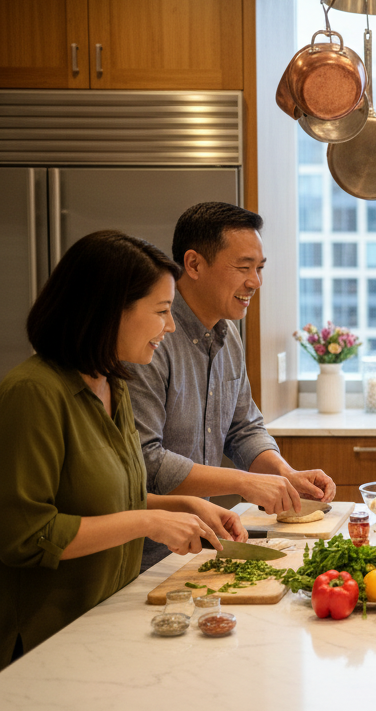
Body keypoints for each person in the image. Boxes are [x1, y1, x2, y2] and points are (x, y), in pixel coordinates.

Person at [0, 231, 246, 669]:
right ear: (109, 311)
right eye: (162, 312)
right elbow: (26, 534)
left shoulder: (114, 384)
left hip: (104, 620)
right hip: (44, 641)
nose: (169, 327)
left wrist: (181, 506)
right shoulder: (33, 393)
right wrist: (147, 521)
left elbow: (110, 500)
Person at [129, 202, 335, 520]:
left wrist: (283, 474)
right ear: (194, 264)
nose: (256, 282)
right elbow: (146, 461)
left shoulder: (228, 334)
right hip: (146, 549)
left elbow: (243, 429)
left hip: (200, 535)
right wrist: (248, 483)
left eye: (260, 268)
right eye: (243, 267)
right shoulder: (150, 340)